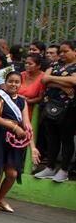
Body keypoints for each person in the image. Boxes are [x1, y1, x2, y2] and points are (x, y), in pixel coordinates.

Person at [0, 72, 39, 213]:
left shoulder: (22, 101)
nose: (13, 84)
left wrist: (33, 147)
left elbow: (26, 125)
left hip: (15, 138)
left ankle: (0, 198)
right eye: (11, 81)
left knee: (12, 173)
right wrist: (14, 127)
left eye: (17, 82)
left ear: (21, 83)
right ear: (5, 82)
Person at [35, 41, 76, 183]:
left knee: (66, 139)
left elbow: (75, 81)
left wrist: (53, 80)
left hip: (69, 108)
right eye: (61, 52)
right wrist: (64, 84)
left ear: (74, 51)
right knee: (51, 138)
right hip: (50, 105)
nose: (62, 54)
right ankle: (50, 167)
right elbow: (44, 80)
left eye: (65, 51)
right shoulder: (55, 64)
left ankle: (64, 170)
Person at [18, 54, 45, 118]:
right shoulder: (21, 75)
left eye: (30, 64)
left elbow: (40, 98)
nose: (27, 65)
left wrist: (25, 101)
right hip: (16, 107)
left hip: (32, 110)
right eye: (26, 63)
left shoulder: (43, 77)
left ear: (38, 66)